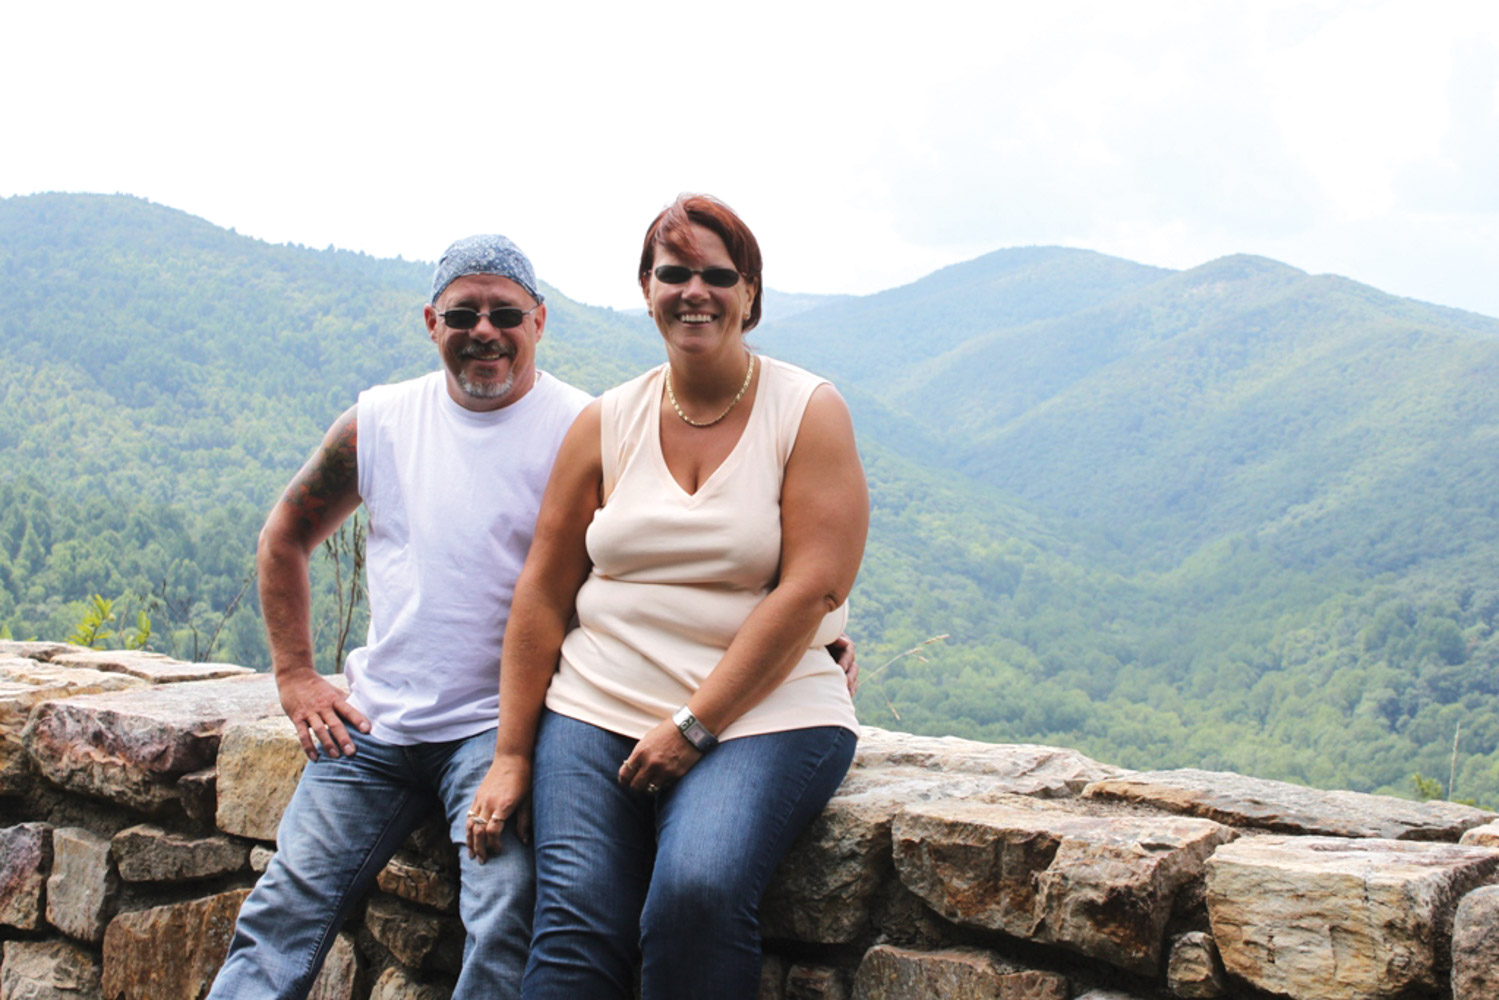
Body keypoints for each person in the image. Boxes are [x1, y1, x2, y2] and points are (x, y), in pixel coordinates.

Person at [467, 194, 868, 1000]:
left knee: (696, 894)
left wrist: (694, 725)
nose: (695, 292)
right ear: (645, 287)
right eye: (674, 273)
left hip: (765, 711)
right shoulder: (606, 421)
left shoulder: (806, 410)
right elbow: (543, 592)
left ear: (750, 293)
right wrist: (512, 753)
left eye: (718, 275)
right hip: (594, 707)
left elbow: (813, 587)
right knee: (576, 917)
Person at [207, 235, 592, 1000]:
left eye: (505, 313)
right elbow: (284, 536)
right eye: (462, 313)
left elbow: (666, 552)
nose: (483, 330)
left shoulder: (581, 430)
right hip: (373, 722)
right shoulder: (380, 421)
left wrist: (816, 634)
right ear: (430, 321)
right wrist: (294, 676)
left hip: (500, 728)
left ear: (539, 320)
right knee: (284, 907)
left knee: (504, 914)